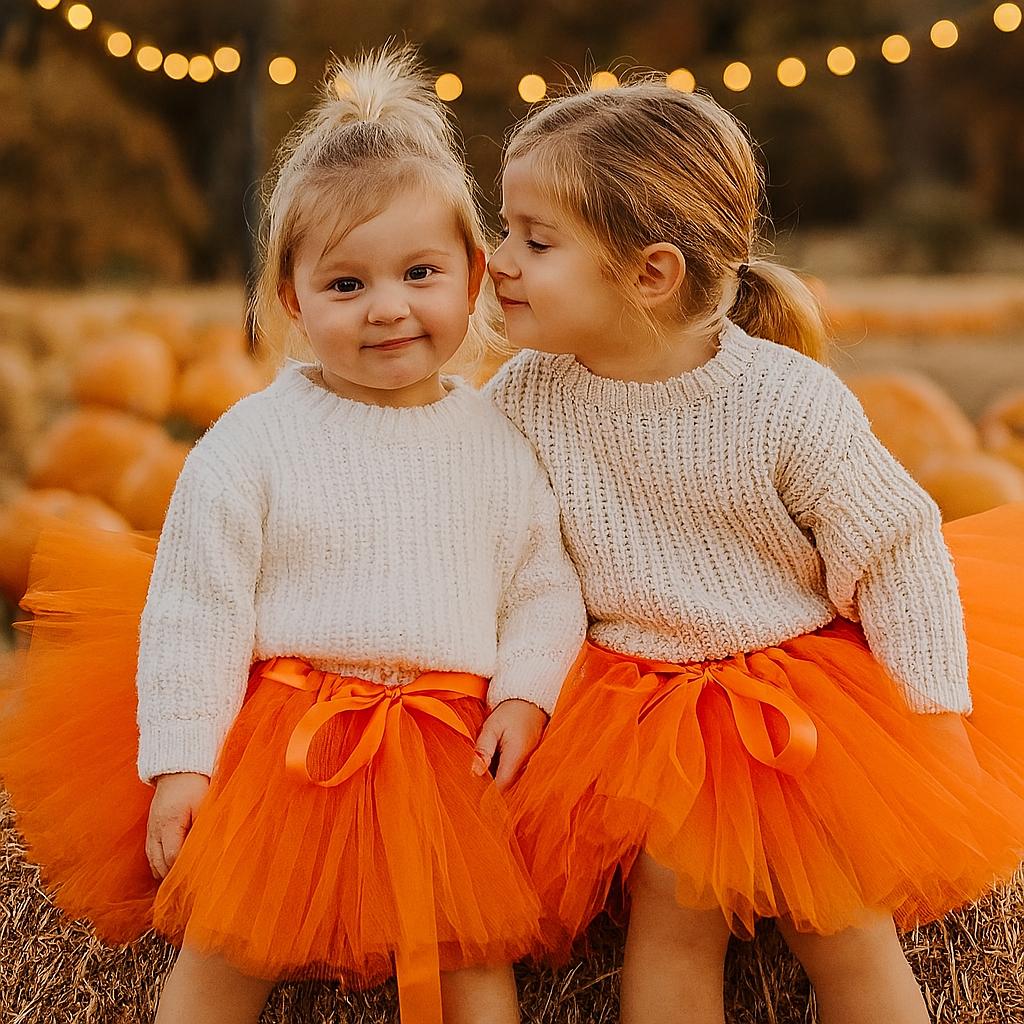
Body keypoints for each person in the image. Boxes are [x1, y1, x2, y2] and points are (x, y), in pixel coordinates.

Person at [0, 47, 585, 1024]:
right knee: (232, 943)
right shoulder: (254, 441)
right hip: (288, 745)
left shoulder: (497, 437)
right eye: (346, 285)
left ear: (473, 277)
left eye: (420, 273)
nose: (388, 307)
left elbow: (542, 583)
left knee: (469, 959)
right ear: (291, 300)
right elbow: (197, 608)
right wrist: (182, 760)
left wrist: (525, 692)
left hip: (443, 749)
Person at [485, 74, 1024, 1024]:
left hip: (795, 700)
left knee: (843, 919)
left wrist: (936, 721)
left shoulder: (782, 401)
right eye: (504, 230)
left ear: (649, 274)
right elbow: (484, 533)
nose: (497, 261)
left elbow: (897, 556)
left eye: (535, 241)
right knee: (671, 915)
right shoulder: (524, 395)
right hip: (637, 714)